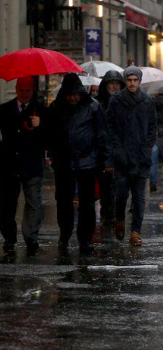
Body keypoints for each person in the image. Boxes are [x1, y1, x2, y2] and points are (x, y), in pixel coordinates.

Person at [47, 74, 108, 254]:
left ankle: (85, 239)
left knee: (87, 203)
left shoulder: (93, 107)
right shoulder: (56, 107)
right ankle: (65, 233)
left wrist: (105, 160)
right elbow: (49, 133)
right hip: (63, 162)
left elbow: (102, 135)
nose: (73, 98)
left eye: (76, 94)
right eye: (69, 94)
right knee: (63, 201)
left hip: (87, 161)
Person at [107, 66, 157, 247]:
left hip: (141, 157)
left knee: (139, 197)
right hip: (122, 157)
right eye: (129, 80)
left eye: (135, 80)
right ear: (125, 81)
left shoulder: (147, 101)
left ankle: (136, 231)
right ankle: (119, 218)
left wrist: (146, 148)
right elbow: (110, 126)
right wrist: (117, 149)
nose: (132, 83)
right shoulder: (117, 101)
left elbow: (153, 128)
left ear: (140, 81)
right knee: (121, 194)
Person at [0, 77, 46, 255]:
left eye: (27, 90)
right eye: (21, 90)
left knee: (33, 202)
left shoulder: (40, 110)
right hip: (9, 165)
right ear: (17, 88)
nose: (24, 93)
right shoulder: (4, 110)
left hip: (32, 164)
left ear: (33, 90)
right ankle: (9, 238)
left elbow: (48, 137)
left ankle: (31, 237)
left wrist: (40, 125)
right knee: (7, 204)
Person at [97, 70, 125, 223]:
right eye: (111, 83)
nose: (114, 87)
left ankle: (112, 214)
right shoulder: (99, 104)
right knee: (104, 184)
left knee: (116, 184)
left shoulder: (124, 103)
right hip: (102, 150)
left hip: (119, 150)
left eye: (117, 84)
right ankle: (106, 210)